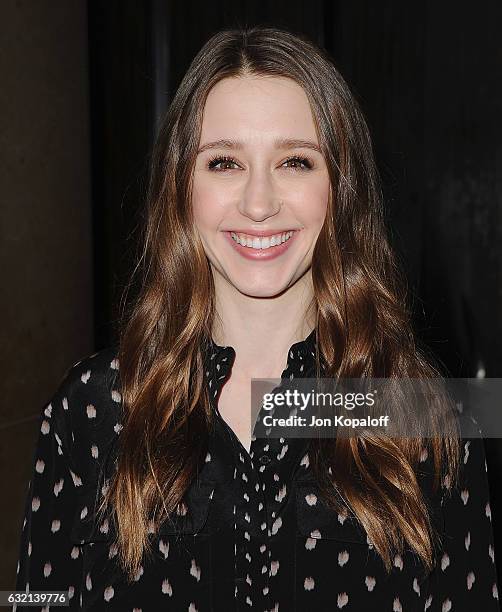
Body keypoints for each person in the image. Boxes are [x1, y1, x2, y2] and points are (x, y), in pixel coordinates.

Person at [13, 25, 500, 612]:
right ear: (181, 187)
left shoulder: (425, 414)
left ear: (340, 190)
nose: (260, 202)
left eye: (296, 161)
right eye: (224, 163)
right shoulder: (91, 407)